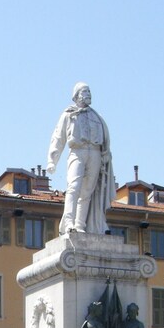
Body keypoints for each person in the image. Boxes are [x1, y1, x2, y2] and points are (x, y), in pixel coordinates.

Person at [47, 82, 116, 235]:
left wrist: (105, 155)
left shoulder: (96, 116)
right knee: (73, 187)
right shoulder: (68, 114)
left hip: (95, 153)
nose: (88, 94)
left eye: (89, 91)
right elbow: (58, 137)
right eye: (85, 91)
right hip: (77, 151)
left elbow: (105, 139)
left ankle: (80, 225)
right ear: (76, 95)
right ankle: (69, 222)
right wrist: (52, 160)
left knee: (88, 191)